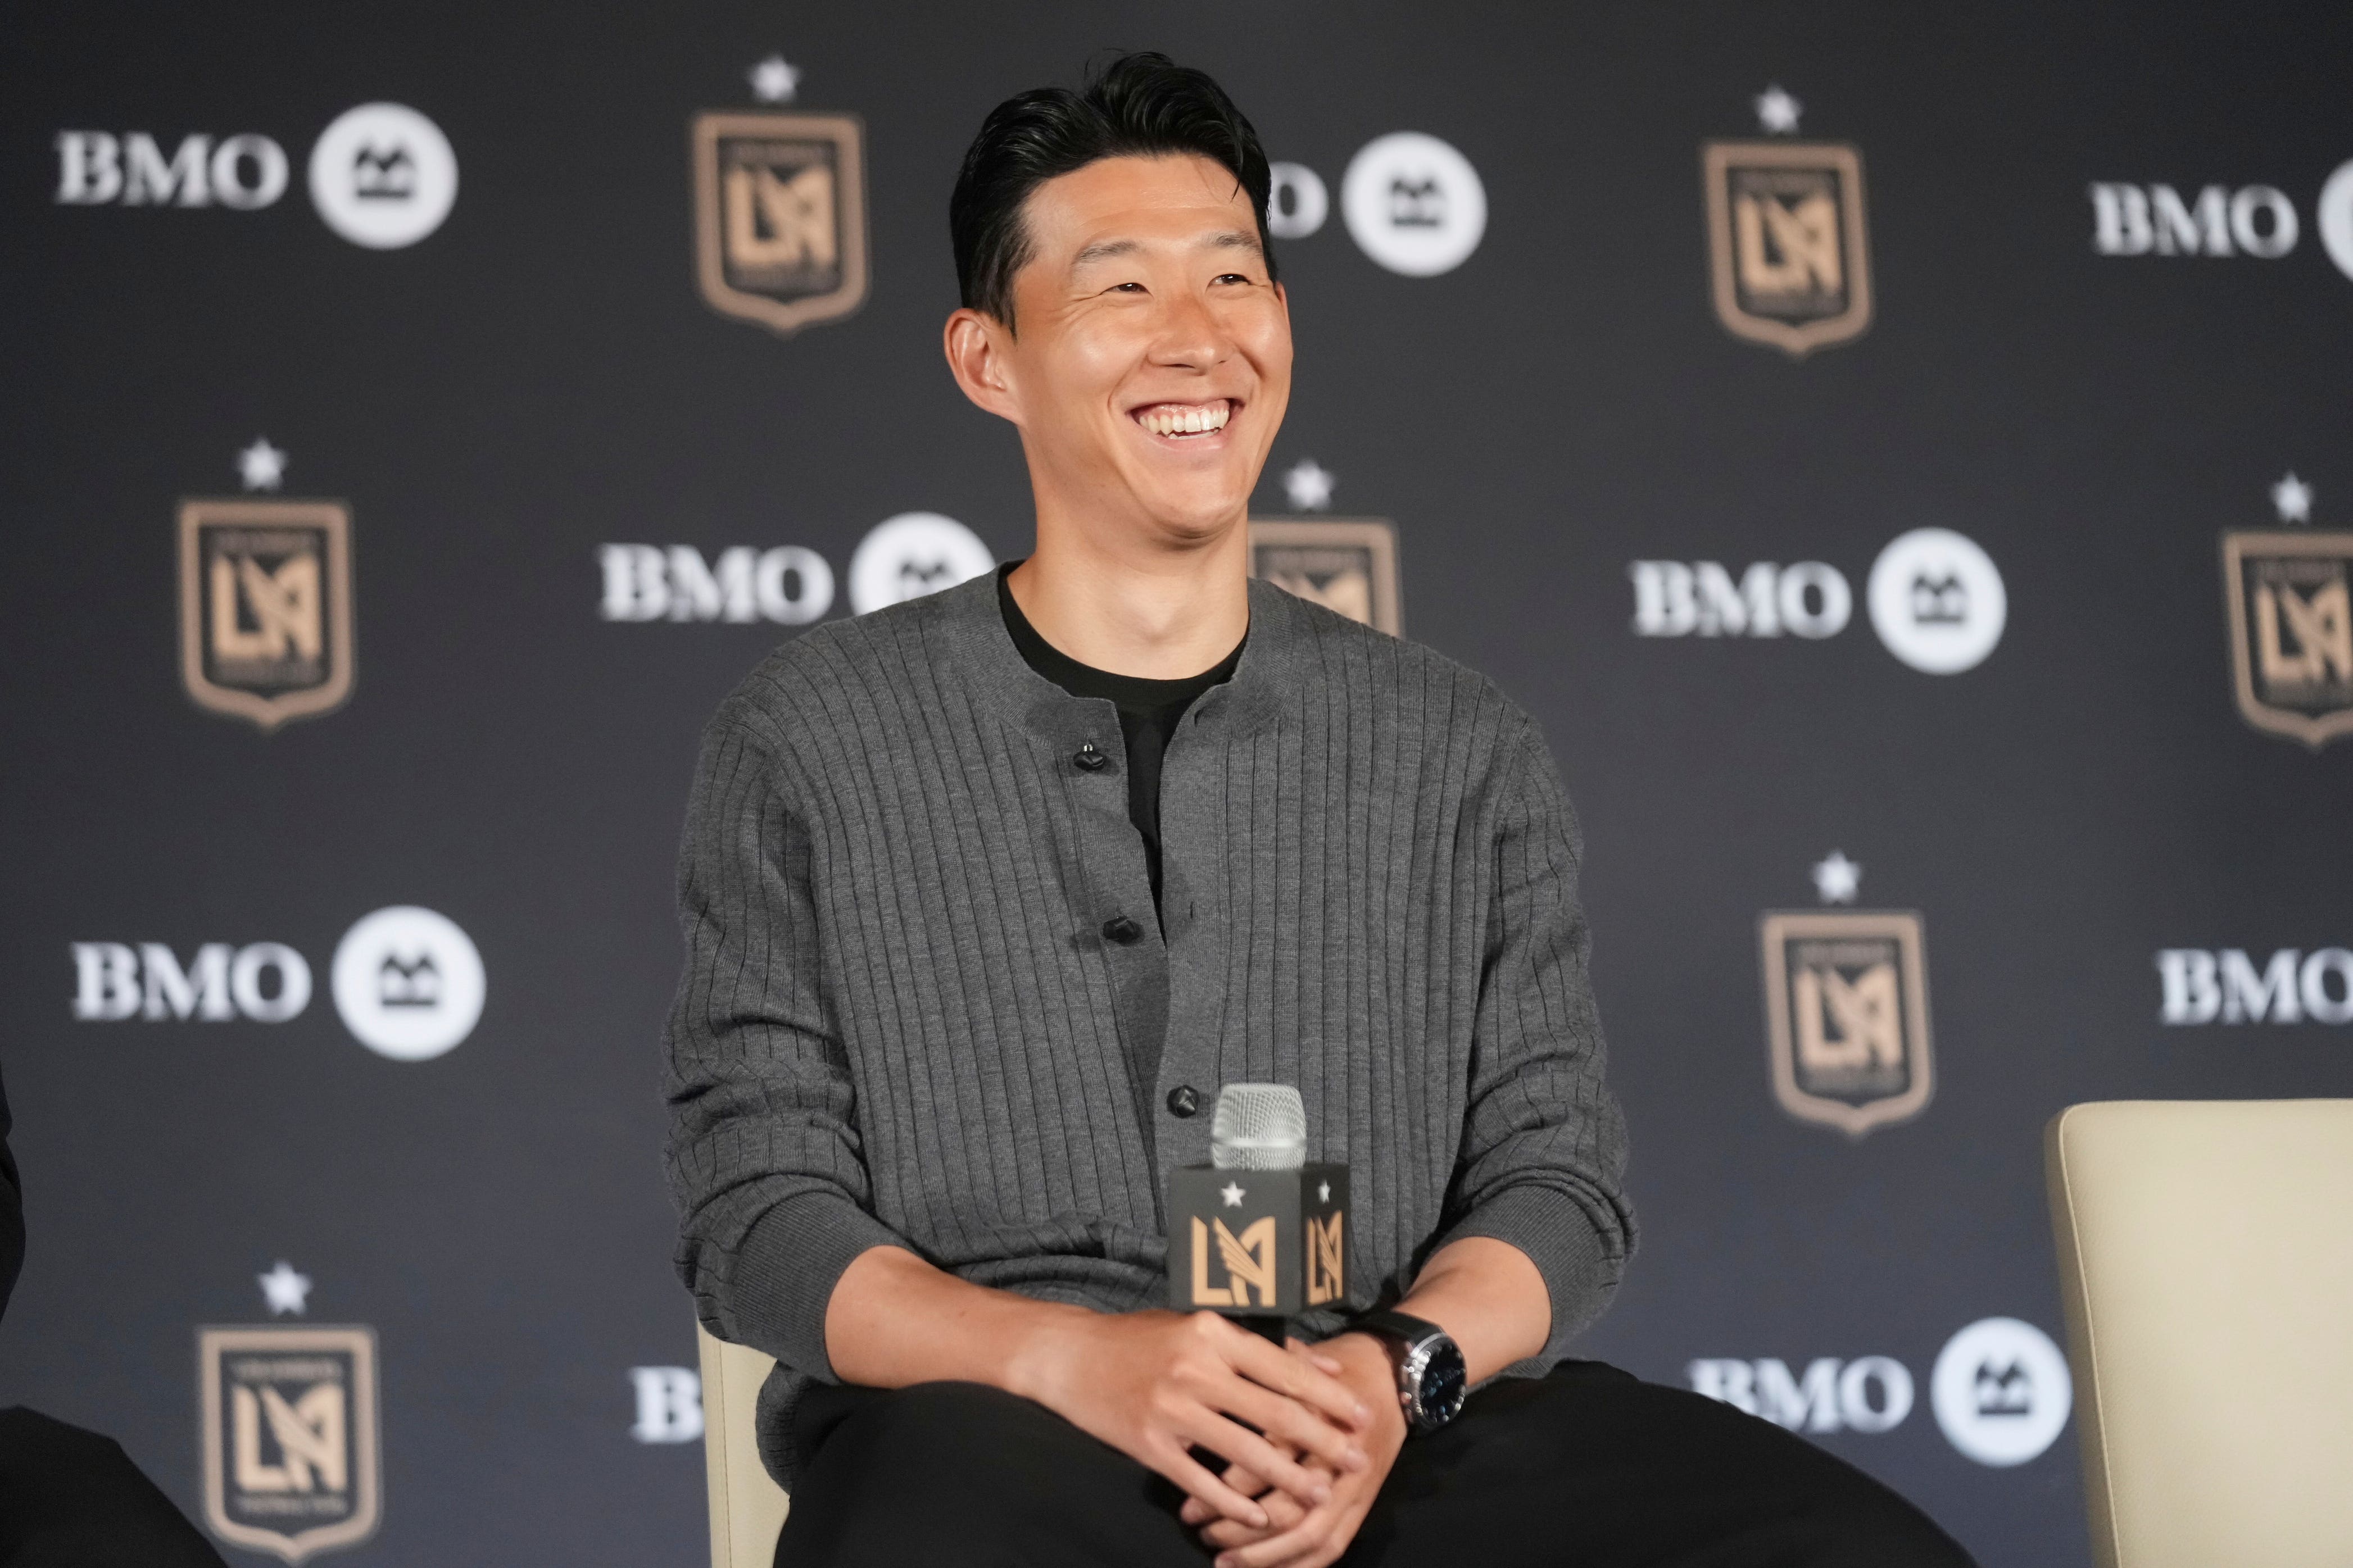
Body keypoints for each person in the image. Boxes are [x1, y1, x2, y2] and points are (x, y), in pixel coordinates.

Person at [664, 52, 1973, 1568]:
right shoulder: (811, 735)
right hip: (997, 1430)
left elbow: (1555, 1181)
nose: (1198, 337)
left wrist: (1380, 1379)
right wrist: (1075, 1362)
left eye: (1234, 279)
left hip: (1389, 1427)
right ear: (988, 360)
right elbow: (757, 1210)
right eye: (1120, 291)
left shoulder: (1457, 744)